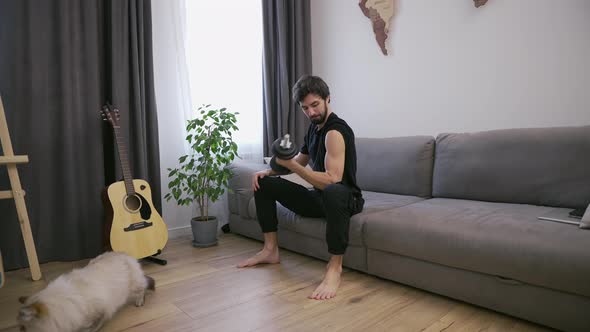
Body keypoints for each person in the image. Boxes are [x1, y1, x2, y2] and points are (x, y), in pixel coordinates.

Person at [237, 75, 364, 300]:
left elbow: (333, 179)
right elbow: (299, 160)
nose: (311, 112)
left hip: (345, 199)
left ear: (327, 99)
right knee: (264, 184)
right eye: (305, 108)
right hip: (320, 197)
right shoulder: (313, 130)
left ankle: (334, 268)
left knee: (333, 191)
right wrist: (270, 171)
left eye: (315, 105)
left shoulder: (335, 132)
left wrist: (293, 165)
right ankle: (270, 250)